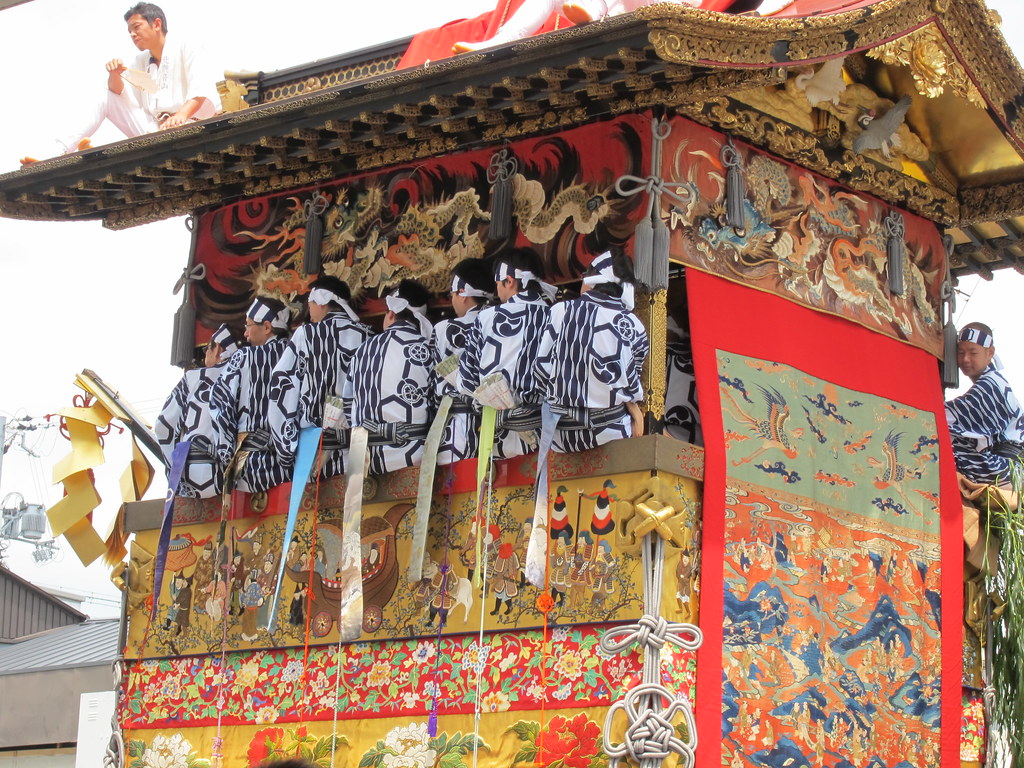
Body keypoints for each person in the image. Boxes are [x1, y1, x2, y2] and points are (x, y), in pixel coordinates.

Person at [22, 3, 221, 163]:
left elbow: (201, 89)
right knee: (103, 95)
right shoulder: (140, 61)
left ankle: (96, 155)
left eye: (136, 27)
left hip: (192, 126)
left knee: (183, 115)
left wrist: (180, 116)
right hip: (155, 131)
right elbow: (118, 97)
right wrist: (115, 74)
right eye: (129, 31)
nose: (133, 34)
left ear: (157, 24)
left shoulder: (187, 45)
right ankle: (58, 152)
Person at [536, 249, 647, 452]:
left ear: (592, 279)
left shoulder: (561, 311)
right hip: (611, 432)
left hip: (561, 433)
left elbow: (541, 369)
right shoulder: (633, 325)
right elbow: (632, 382)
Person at [267, 276, 372, 479]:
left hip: (311, 447)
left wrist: (285, 449)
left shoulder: (305, 334)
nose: (310, 311)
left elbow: (282, 384)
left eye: (310, 303)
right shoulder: (367, 335)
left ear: (322, 301)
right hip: (357, 448)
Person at [458, 247, 555, 459]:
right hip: (546, 437)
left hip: (494, 439)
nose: (496, 289)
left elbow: (465, 382)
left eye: (497, 283)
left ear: (508, 281)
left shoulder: (486, 318)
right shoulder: (555, 317)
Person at [345, 279, 437, 474]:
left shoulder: (362, 350)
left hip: (364, 461)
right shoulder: (427, 350)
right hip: (413, 457)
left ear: (391, 313)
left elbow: (348, 404)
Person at [210, 296, 293, 493]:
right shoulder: (298, 355)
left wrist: (227, 454)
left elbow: (221, 405)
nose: (245, 334)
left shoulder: (244, 357)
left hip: (247, 466)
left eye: (248, 326)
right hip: (290, 464)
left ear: (266, 327)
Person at [154, 323, 241, 498]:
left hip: (190, 476)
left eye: (207, 349)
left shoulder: (193, 378)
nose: (205, 354)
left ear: (217, 350)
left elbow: (163, 426)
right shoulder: (245, 379)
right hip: (231, 478)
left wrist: (174, 467)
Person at [945, 322, 1024, 485]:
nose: (965, 359)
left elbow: (945, 416)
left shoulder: (992, 385)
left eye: (973, 353)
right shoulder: (992, 381)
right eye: (960, 352)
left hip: (1007, 468)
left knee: (941, 435)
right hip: (1005, 464)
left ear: (990, 353)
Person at [433, 259, 495, 465]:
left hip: (455, 429)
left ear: (462, 293)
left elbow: (432, 387)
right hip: (500, 425)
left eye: (452, 293)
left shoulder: (443, 329)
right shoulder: (499, 321)